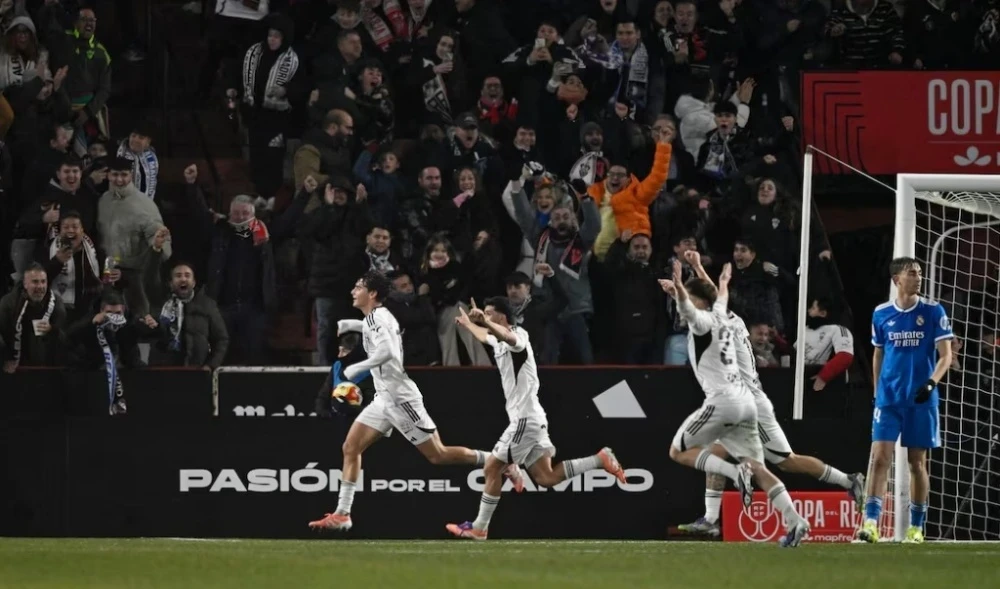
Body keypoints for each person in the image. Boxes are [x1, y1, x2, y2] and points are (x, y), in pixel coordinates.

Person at [676, 251, 865, 537]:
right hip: (741, 400)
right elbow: (712, 294)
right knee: (775, 459)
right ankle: (848, 480)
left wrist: (690, 277)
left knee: (773, 460)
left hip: (745, 402)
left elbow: (709, 296)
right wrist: (698, 267)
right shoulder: (732, 319)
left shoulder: (719, 322)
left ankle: (715, 518)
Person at [308, 270, 494, 532]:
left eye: (358, 287)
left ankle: (495, 460)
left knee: (438, 455)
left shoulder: (377, 318)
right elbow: (387, 336)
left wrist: (357, 368)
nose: (353, 291)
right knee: (351, 447)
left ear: (372, 294)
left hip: (401, 398)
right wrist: (353, 325)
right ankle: (342, 514)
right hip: (384, 398)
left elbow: (387, 351)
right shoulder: (378, 317)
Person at [445, 297, 626, 540]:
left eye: (489, 313)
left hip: (525, 419)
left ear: (502, 316)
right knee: (546, 477)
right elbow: (486, 336)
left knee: (492, 467)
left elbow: (506, 336)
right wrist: (469, 324)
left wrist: (485, 322)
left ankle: (480, 527)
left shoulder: (518, 337)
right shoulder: (497, 339)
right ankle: (599, 459)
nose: (484, 316)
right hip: (533, 418)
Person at [658, 259, 810, 548]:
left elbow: (692, 307)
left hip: (723, 401)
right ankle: (795, 520)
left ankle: (732, 478)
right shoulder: (726, 317)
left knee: (679, 451)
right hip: (745, 402)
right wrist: (707, 278)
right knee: (757, 467)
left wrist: (677, 284)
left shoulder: (703, 322)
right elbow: (714, 296)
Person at [858, 257, 953, 544]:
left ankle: (916, 527)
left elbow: (946, 355)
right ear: (897, 279)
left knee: (917, 463)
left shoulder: (933, 311)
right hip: (889, 399)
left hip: (921, 400)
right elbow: (878, 353)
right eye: (912, 273)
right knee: (879, 458)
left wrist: (931, 383)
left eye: (920, 273)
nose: (918, 278)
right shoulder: (881, 313)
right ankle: (871, 523)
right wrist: (877, 392)